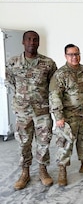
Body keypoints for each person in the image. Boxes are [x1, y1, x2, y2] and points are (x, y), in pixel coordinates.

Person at [5, 30, 57, 190]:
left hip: (42, 112)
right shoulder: (13, 62)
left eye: (35, 40)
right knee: (23, 143)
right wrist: (23, 98)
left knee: (44, 142)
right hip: (22, 112)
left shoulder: (48, 63)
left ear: (39, 43)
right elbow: (10, 81)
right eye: (29, 39)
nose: (32, 42)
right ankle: (25, 172)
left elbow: (53, 86)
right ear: (23, 42)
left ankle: (43, 170)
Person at [49, 44, 83, 187]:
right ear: (65, 56)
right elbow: (55, 96)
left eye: (77, 54)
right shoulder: (60, 74)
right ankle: (62, 169)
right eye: (71, 54)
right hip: (68, 115)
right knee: (66, 143)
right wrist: (58, 116)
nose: (74, 57)